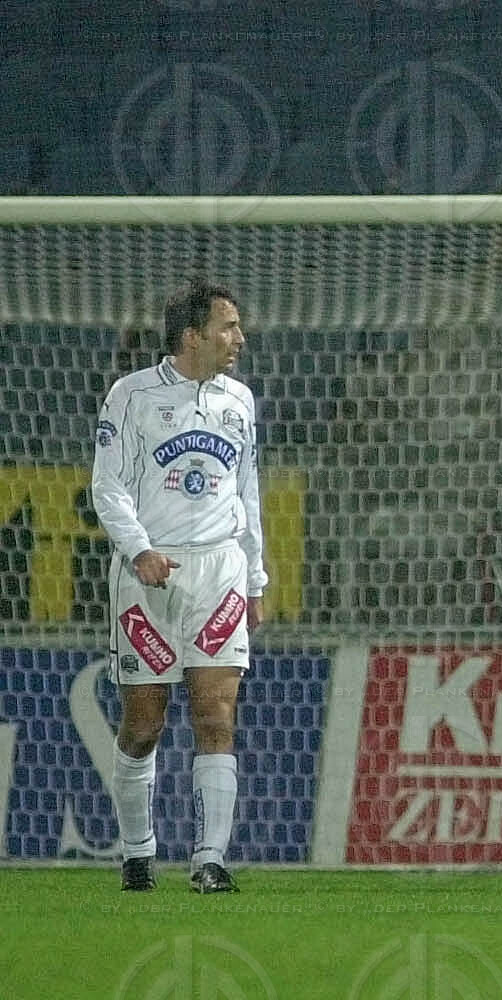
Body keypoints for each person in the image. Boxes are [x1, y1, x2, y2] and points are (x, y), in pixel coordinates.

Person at [91, 279, 266, 894]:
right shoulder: (131, 395)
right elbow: (107, 486)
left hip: (220, 573)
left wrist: (256, 577)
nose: (239, 338)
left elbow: (248, 492)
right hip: (149, 575)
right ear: (192, 336)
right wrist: (138, 550)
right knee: (144, 724)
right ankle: (138, 852)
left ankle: (209, 860)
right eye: (228, 327)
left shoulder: (239, 400)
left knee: (216, 716)